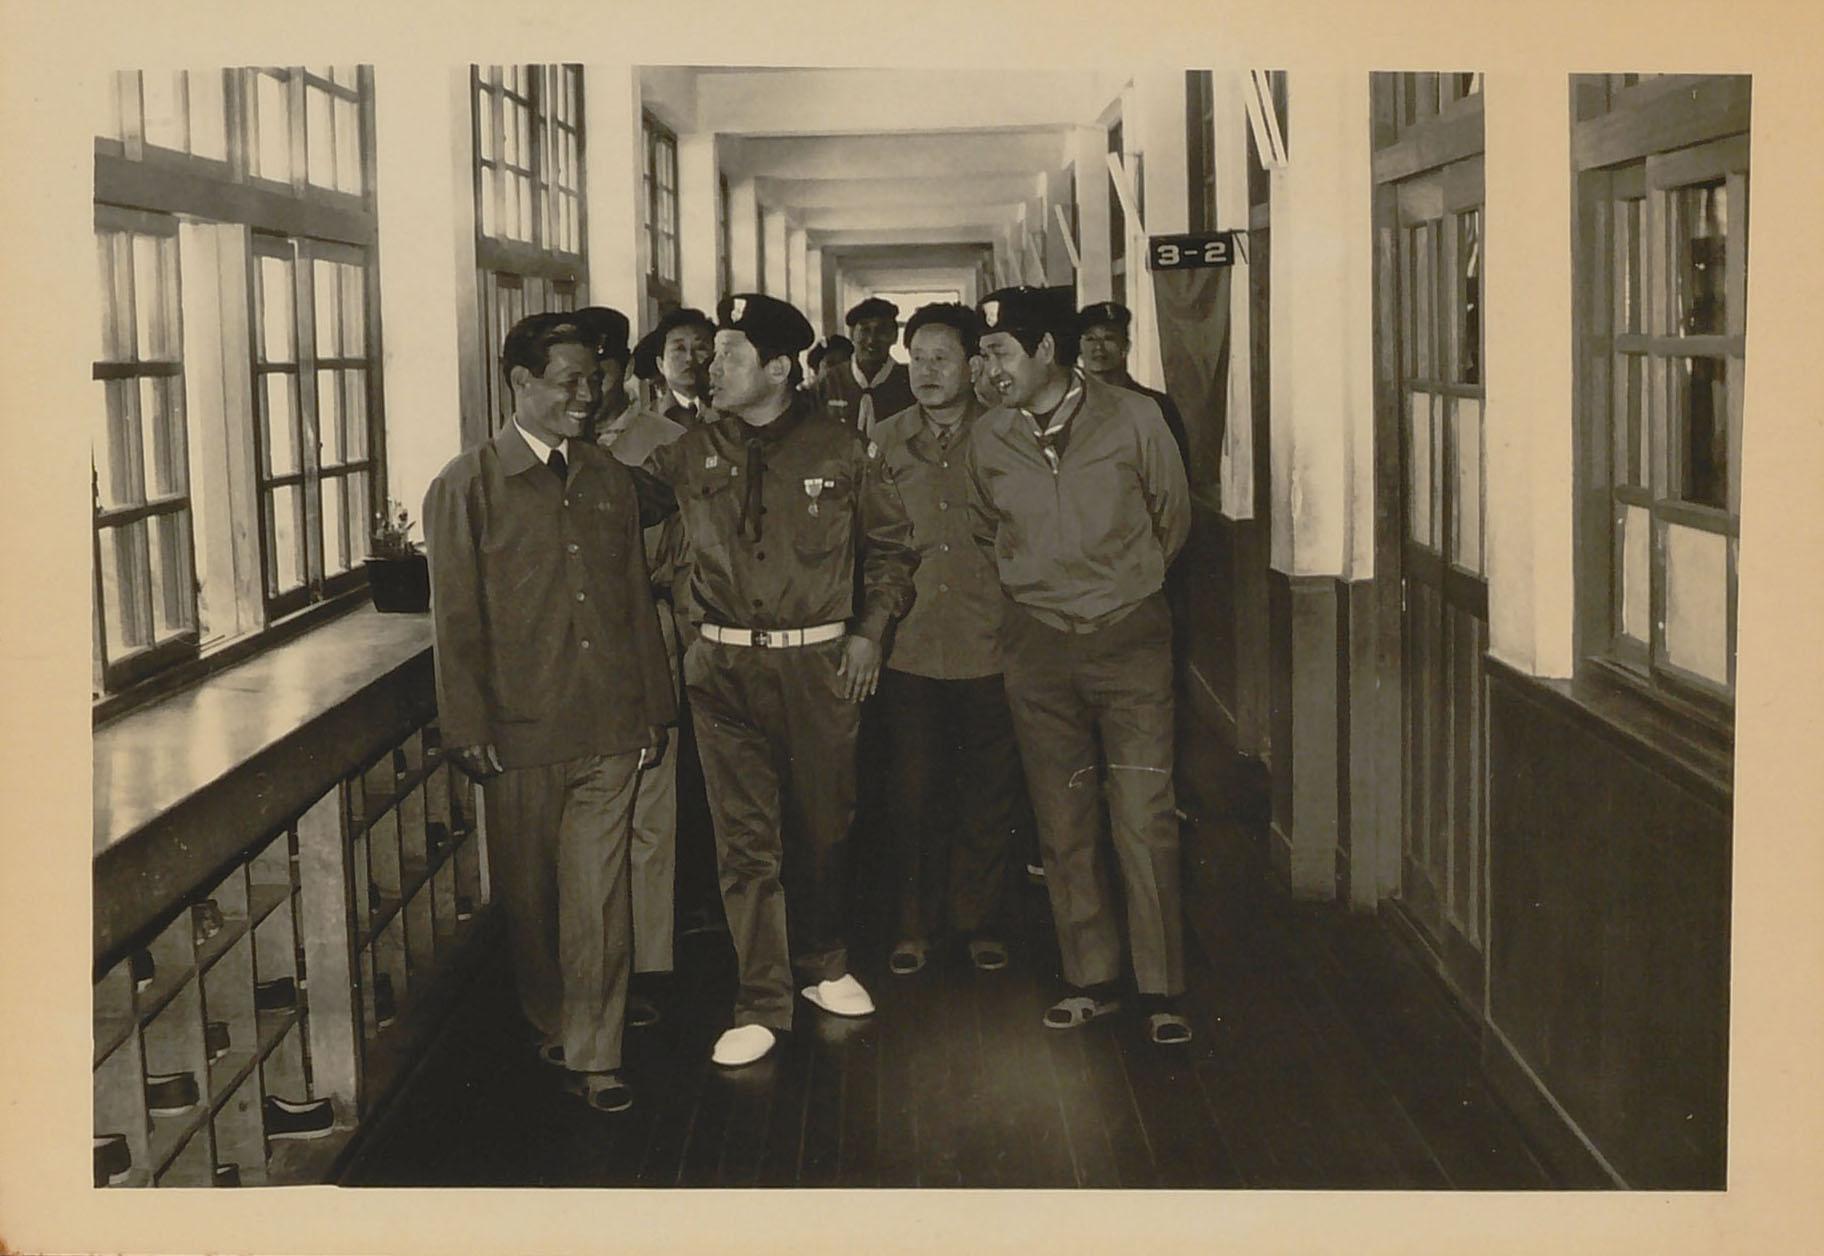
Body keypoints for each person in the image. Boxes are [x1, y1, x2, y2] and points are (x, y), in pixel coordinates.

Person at [640, 292, 919, 1068]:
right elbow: (618, 506)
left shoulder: (843, 449)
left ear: (776, 368)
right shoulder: (689, 451)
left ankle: (823, 965)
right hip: (721, 670)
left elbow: (892, 551)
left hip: (819, 667)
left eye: (728, 354)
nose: (709, 364)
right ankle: (761, 999)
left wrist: (870, 633)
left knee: (823, 827)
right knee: (744, 842)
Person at [423, 312, 676, 1113]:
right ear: (520, 383)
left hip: (609, 723)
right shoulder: (466, 485)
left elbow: (634, 599)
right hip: (520, 731)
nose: (587, 394)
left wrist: (653, 710)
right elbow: (455, 619)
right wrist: (467, 726)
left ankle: (597, 1053)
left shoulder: (607, 477)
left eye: (594, 379)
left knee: (598, 893)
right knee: (533, 900)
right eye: (568, 381)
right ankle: (553, 1018)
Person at [965, 286, 1194, 1046]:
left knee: (1143, 813)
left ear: (1044, 351)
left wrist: (1120, 587)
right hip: (1036, 642)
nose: (986, 368)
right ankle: (1090, 976)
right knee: (1061, 817)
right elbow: (986, 526)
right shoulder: (989, 436)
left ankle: (1162, 988)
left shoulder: (1135, 417)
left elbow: (1172, 518)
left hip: (1129, 638)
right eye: (982, 354)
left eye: (999, 352)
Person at [871, 303, 1022, 977]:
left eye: (942, 358)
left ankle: (979, 921)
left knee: (988, 791)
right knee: (911, 792)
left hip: (992, 641)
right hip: (908, 647)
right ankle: (913, 924)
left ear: (974, 365)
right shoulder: (883, 439)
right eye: (917, 358)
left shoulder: (1007, 434)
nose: (927, 371)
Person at [574, 305, 684, 1031]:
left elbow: (686, 552)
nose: (586, 391)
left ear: (622, 371)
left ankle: (648, 966)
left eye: (600, 374)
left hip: (647, 628)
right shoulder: (546, 445)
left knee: (649, 810)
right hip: (569, 649)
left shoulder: (666, 443)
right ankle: (591, 965)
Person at [1075, 300, 1191, 469]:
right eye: (1090, 338)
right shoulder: (1067, 406)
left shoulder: (1156, 405)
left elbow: (1176, 472)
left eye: (1109, 338)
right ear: (1079, 349)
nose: (1099, 347)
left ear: (1125, 347)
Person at [815, 297, 915, 436]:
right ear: (852, 334)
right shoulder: (830, 380)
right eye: (865, 330)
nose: (871, 340)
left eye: (881, 331)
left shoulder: (910, 381)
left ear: (894, 336)